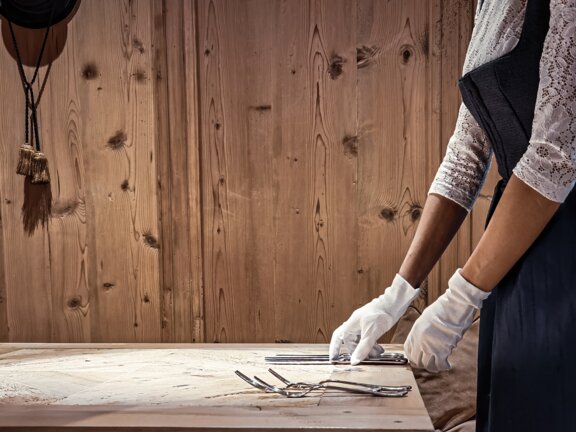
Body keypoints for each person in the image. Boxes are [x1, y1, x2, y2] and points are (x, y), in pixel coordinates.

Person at [329, 0, 576, 430]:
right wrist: (397, 295)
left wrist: (460, 299)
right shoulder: (489, 4)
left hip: (565, 244)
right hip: (514, 251)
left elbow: (555, 159)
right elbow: (467, 152)